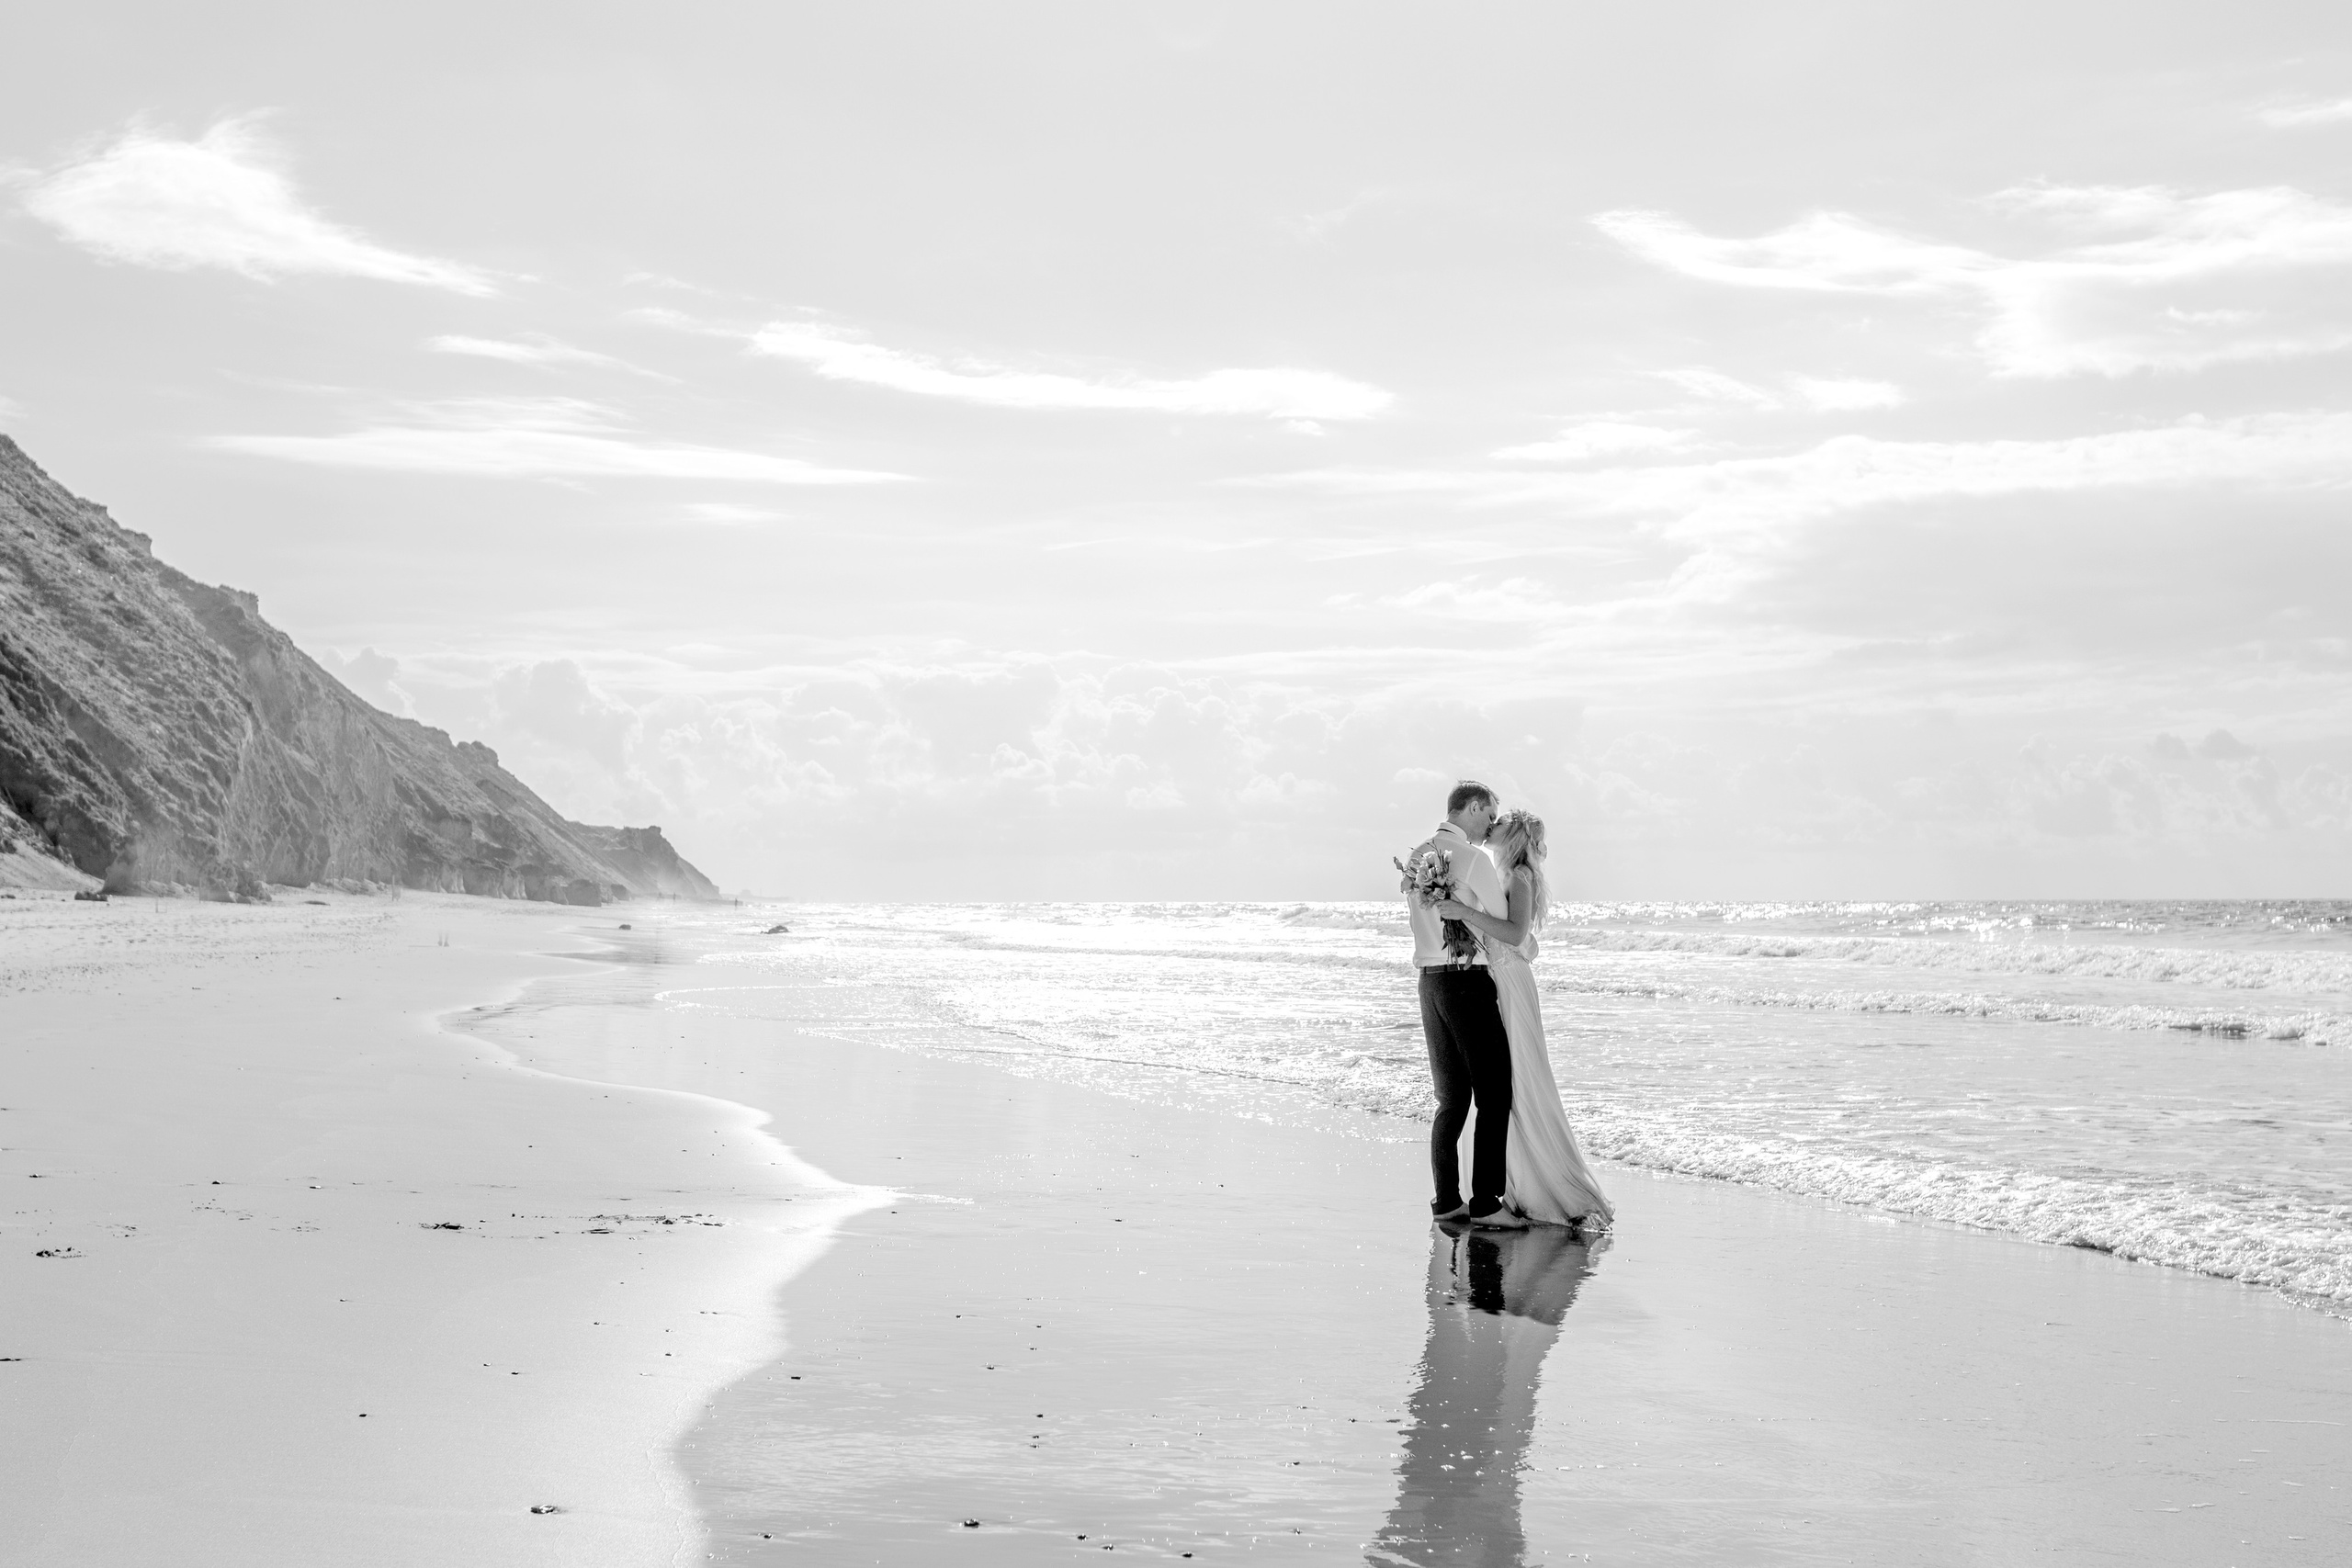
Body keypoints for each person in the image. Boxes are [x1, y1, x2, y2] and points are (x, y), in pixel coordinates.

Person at [1434, 808, 1613, 1228]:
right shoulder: (1501, 871)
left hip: (1509, 983)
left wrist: (1464, 913)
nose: (1489, 828)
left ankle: (1539, 1183)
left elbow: (1514, 934)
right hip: (1493, 978)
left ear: (1510, 836)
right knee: (1503, 1081)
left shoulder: (1518, 875)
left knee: (1519, 1079)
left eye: (1496, 825)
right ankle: (1511, 1184)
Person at [1403, 781, 1524, 1228]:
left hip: (1429, 984)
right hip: (1466, 984)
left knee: (1451, 1098)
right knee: (1494, 1094)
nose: (1490, 825)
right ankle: (1487, 1204)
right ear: (1472, 807)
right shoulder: (1472, 860)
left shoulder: (1417, 855)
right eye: (1489, 815)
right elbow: (1500, 925)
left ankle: (1447, 1202)